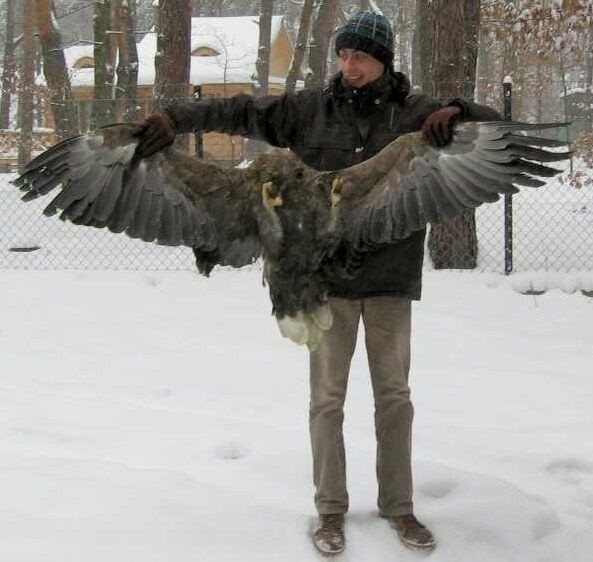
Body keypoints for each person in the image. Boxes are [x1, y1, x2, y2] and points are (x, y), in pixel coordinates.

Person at [134, 11, 500, 555]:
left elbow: (486, 124)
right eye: (343, 55)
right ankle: (330, 511)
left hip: (389, 280)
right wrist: (175, 116)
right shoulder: (307, 111)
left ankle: (400, 509)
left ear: (383, 61)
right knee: (327, 401)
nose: (349, 66)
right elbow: (237, 109)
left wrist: (462, 111)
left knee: (394, 398)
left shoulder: (412, 113)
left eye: (361, 57)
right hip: (323, 283)